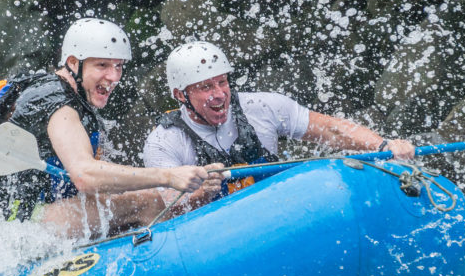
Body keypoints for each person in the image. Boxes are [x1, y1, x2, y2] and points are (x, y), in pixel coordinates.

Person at [0, 18, 223, 237]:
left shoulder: (67, 94)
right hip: (17, 227)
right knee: (148, 202)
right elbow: (85, 175)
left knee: (132, 200)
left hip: (32, 215)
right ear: (73, 62)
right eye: (102, 65)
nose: (114, 76)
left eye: (118, 66)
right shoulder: (54, 101)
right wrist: (170, 177)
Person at [143, 41, 417, 199]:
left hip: (278, 210)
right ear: (181, 94)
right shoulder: (164, 141)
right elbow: (165, 205)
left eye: (222, 82)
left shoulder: (262, 106)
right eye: (205, 87)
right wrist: (199, 194)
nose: (218, 95)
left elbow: (331, 131)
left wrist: (383, 145)